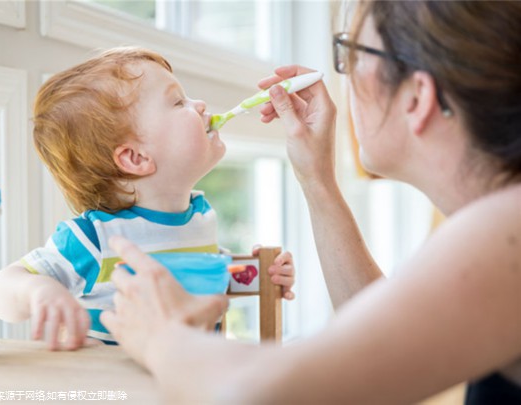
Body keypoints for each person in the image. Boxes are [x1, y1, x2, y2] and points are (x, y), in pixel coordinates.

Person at [100, 1, 521, 404]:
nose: (345, 74)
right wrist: (316, 176)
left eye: (353, 55)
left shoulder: (508, 233)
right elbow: (376, 342)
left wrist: (161, 337)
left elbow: (254, 395)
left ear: (417, 97)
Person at [0, 47, 295, 350]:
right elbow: (2, 289)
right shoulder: (95, 238)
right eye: (178, 101)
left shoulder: (200, 216)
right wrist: (38, 291)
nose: (200, 104)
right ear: (136, 157)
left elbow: (203, 282)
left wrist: (262, 275)